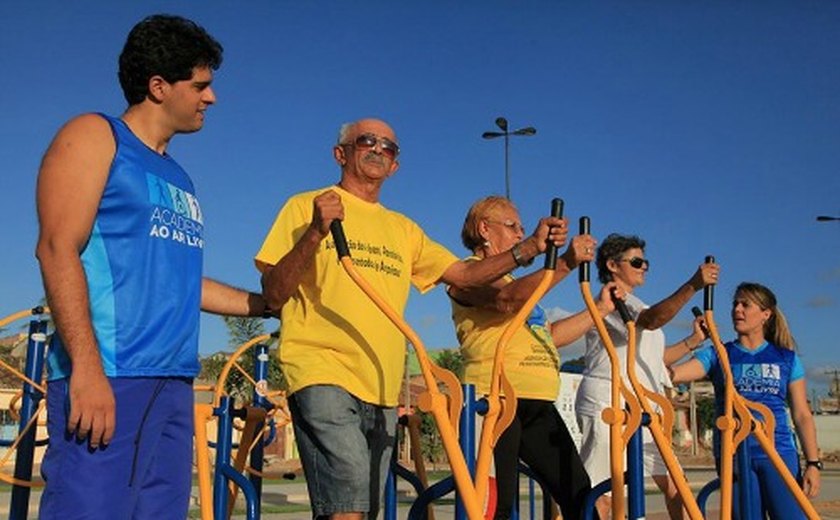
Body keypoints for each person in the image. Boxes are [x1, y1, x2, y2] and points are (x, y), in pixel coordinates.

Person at [254, 119, 565, 520]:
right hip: (320, 370)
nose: (378, 149)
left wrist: (529, 248)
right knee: (347, 500)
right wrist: (315, 232)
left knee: (364, 505)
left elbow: (465, 275)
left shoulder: (404, 229)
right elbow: (274, 293)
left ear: (396, 166)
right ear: (340, 153)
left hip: (383, 384)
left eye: (389, 147)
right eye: (367, 140)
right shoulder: (305, 206)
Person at [35, 15, 266, 519]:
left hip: (173, 380)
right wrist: (88, 370)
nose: (212, 98)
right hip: (111, 373)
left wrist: (266, 305)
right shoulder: (95, 135)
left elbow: (182, 280)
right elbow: (56, 248)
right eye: (201, 85)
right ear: (158, 86)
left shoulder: (179, 176)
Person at [448, 195, 618, 520]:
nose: (518, 233)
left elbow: (549, 334)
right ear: (485, 229)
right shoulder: (467, 274)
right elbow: (507, 300)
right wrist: (565, 261)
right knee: (495, 507)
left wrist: (600, 308)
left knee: (581, 499)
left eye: (522, 228)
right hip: (495, 400)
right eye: (512, 226)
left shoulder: (521, 285)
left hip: (537, 401)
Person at [573, 233, 719, 520]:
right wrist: (693, 285)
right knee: (607, 495)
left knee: (677, 485)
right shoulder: (612, 297)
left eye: (645, 262)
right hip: (611, 402)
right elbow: (652, 321)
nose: (644, 267)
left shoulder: (636, 302)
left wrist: (691, 341)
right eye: (637, 261)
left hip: (646, 409)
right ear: (613, 265)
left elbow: (653, 360)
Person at [671, 282, 821, 519]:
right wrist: (692, 340)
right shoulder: (718, 354)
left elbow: (802, 414)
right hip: (734, 456)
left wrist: (814, 463)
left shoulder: (786, 358)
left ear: (765, 314)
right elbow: (669, 374)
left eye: (745, 304)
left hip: (778, 453)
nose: (737, 310)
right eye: (735, 304)